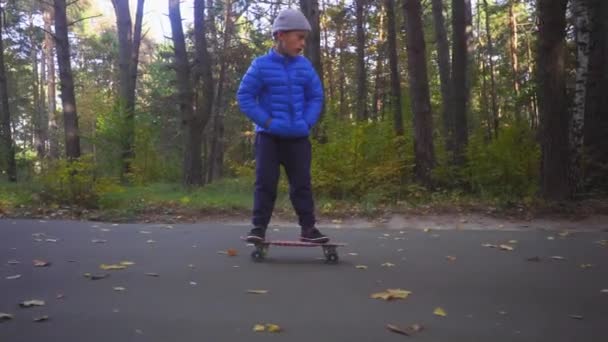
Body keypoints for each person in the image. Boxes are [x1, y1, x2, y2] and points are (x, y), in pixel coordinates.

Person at [236, 8, 329, 244]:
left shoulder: (304, 67)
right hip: (269, 137)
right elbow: (245, 96)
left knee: (302, 185)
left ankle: (308, 229)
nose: (302, 43)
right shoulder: (260, 65)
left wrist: (306, 122)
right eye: (299, 37)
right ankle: (258, 228)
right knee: (265, 182)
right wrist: (267, 122)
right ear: (280, 35)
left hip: (298, 137)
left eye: (304, 38)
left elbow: (316, 96)